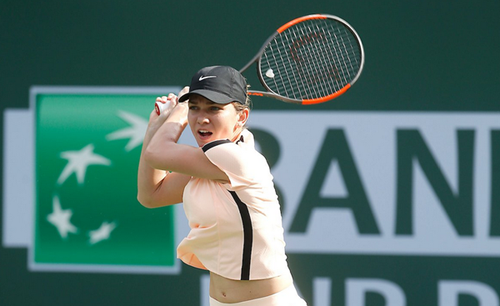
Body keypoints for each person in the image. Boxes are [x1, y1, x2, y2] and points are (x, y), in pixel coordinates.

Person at [137, 65, 307, 306]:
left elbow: (158, 152)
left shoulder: (235, 158)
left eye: (214, 108)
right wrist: (155, 126)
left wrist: (178, 112)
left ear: (242, 117)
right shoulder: (207, 164)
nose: (201, 118)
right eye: (195, 107)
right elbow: (151, 195)